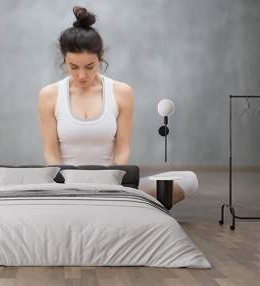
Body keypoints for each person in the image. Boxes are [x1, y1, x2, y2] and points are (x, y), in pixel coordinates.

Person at [38, 6, 198, 204]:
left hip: (111, 183)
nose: (81, 75)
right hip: (65, 184)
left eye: (89, 67)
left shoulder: (121, 92)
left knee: (189, 179)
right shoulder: (49, 95)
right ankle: (114, 205)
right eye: (73, 67)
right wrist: (64, 183)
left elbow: (122, 151)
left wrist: (109, 181)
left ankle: (104, 201)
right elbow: (51, 153)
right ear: (64, 60)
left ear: (100, 58)